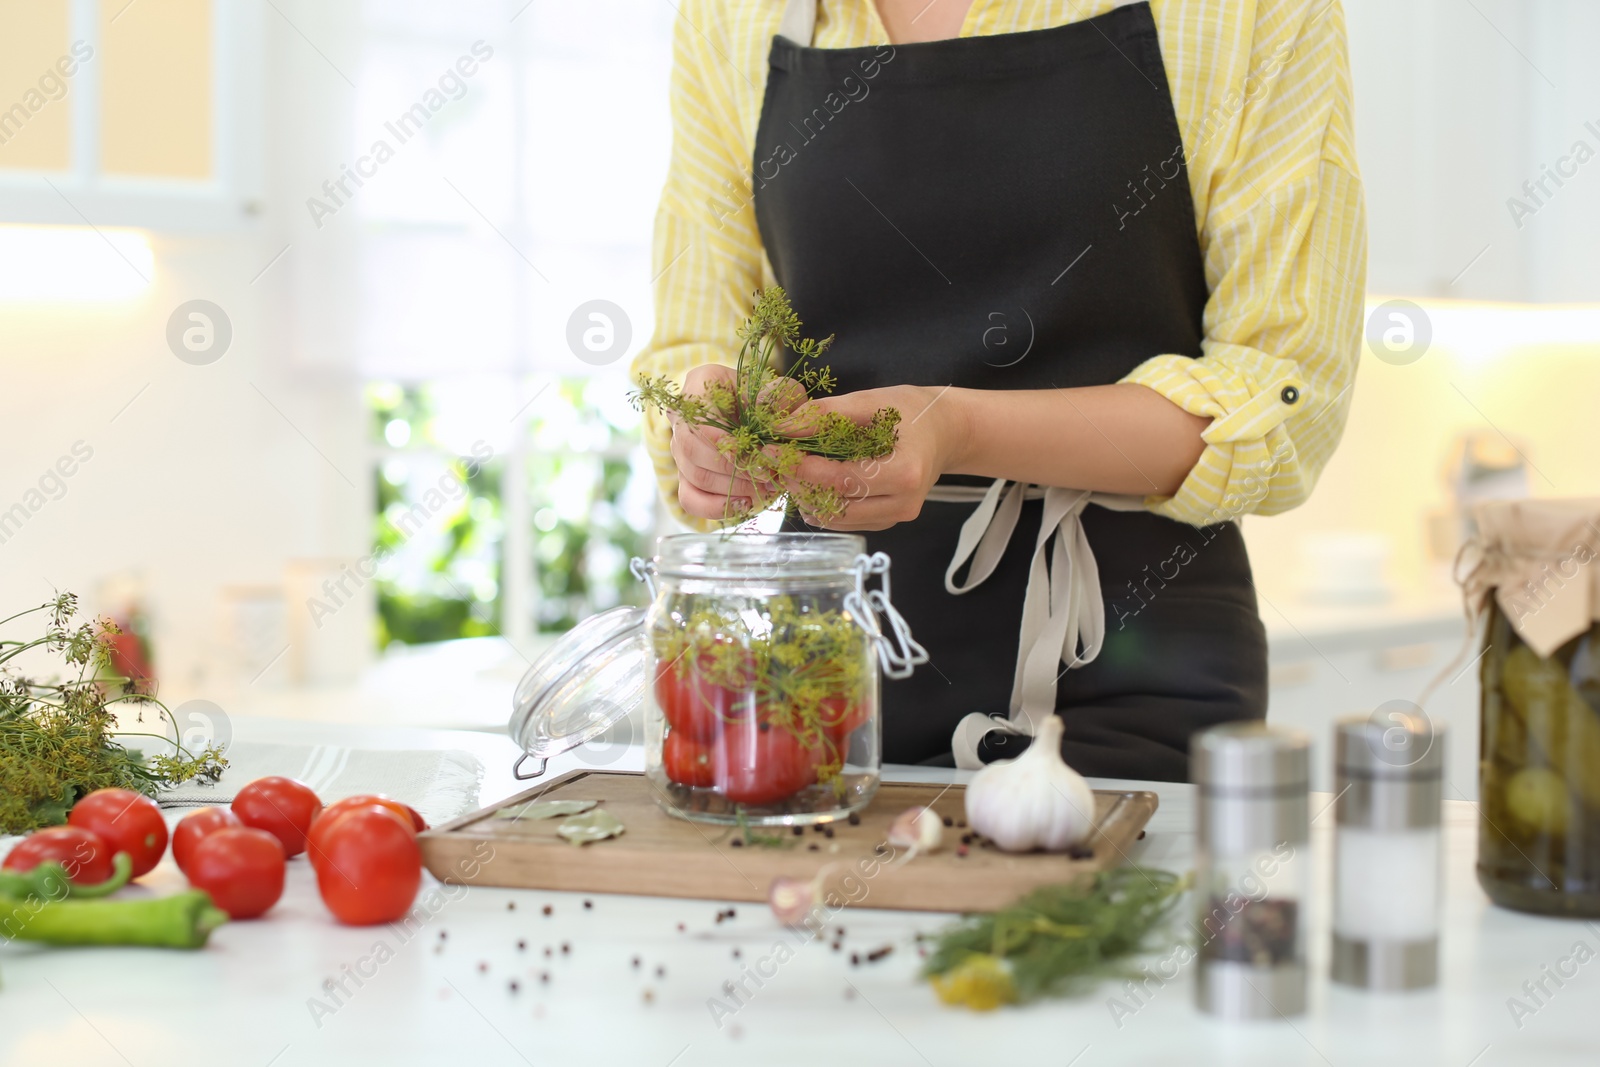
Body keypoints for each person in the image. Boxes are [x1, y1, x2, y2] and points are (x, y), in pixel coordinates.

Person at [631, 0, 1366, 781]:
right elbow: (699, 342)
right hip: (827, 677)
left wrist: (959, 428)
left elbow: (1281, 397)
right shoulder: (730, 15)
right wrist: (709, 416)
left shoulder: (1248, 12)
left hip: (1131, 674)